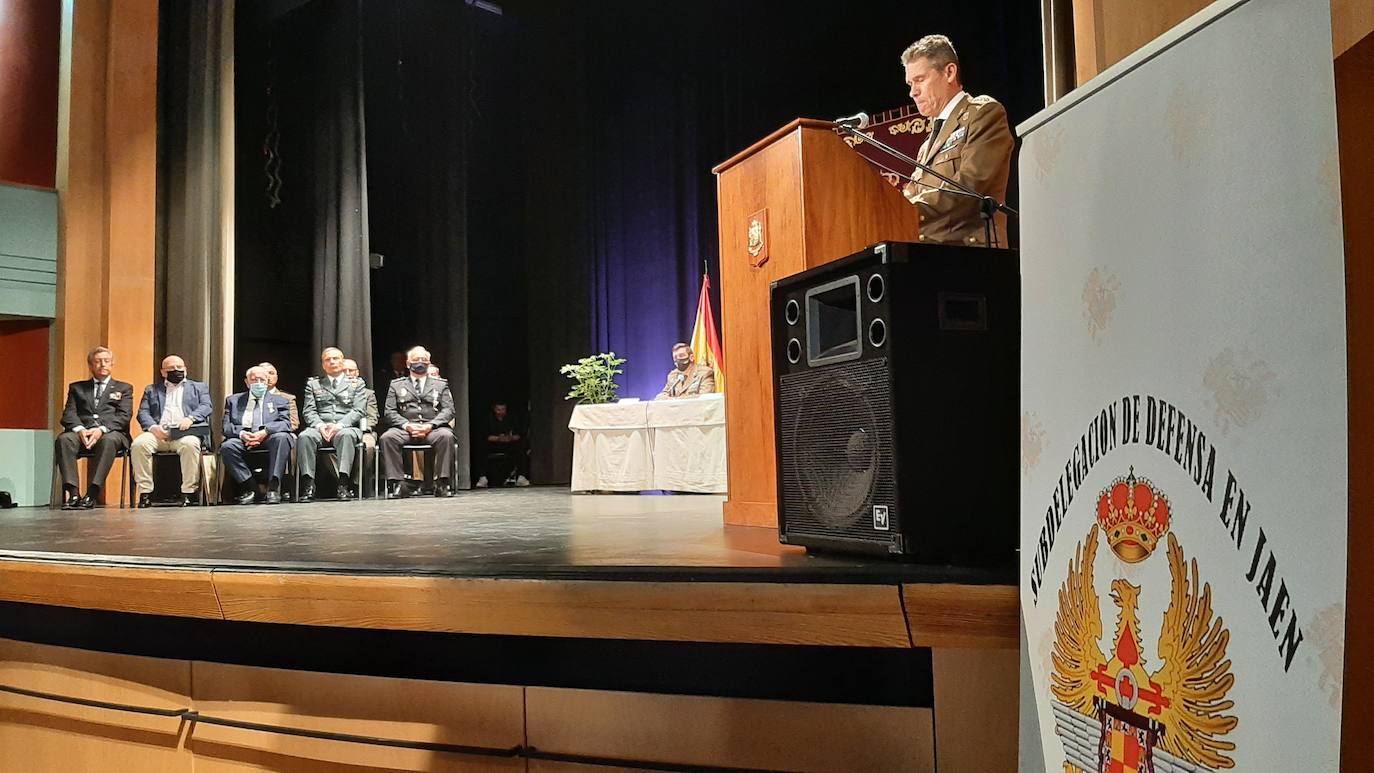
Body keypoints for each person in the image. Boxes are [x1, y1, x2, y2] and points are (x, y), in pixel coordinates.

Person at [899, 34, 1014, 247]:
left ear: (949, 72)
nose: (913, 92)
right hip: (931, 257)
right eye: (910, 83)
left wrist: (904, 211)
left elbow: (968, 187)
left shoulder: (984, 113)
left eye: (920, 80)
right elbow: (912, 193)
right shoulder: (926, 146)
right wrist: (888, 208)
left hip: (972, 257)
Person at [54, 346, 134, 509]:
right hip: (82, 431)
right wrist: (80, 430)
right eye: (98, 362)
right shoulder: (77, 388)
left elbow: (124, 416)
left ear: (112, 364)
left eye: (106, 361)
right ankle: (73, 493)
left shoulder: (124, 388)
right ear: (90, 366)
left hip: (111, 433)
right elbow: (68, 414)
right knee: (64, 439)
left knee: (108, 441)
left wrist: (101, 430)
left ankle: (92, 492)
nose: (102, 365)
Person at [132, 354, 213, 507]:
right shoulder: (151, 390)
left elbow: (206, 406)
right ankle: (145, 492)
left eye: (179, 368)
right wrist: (153, 428)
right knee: (139, 445)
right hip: (159, 434)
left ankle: (189, 492)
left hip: (184, 433)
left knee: (190, 445)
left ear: (185, 370)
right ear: (163, 372)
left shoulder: (199, 387)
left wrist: (191, 418)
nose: (176, 371)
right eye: (171, 369)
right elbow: (143, 413)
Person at [380, 346, 456, 498]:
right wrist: (407, 425)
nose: (420, 362)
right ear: (408, 364)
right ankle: (398, 484)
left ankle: (442, 483)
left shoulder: (440, 384)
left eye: (424, 360)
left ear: (429, 363)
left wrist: (431, 425)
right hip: (405, 429)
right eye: (416, 360)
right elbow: (389, 412)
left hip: (432, 428)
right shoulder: (396, 385)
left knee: (446, 436)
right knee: (387, 438)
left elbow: (449, 410)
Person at [297, 347, 367, 502]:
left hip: (345, 427)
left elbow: (358, 410)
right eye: (328, 359)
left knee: (346, 435)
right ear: (323, 365)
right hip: (321, 427)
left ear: (342, 361)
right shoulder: (314, 384)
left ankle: (343, 484)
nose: (332, 362)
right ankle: (308, 485)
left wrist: (339, 425)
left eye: (336, 358)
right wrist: (320, 426)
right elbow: (309, 411)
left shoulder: (357, 384)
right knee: (304, 436)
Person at [219, 365, 295, 505]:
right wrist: (242, 434)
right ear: (247, 382)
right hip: (243, 438)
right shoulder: (233, 401)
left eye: (262, 379)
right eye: (254, 380)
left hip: (268, 437)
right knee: (227, 446)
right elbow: (226, 427)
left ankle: (273, 488)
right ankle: (251, 488)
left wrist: (265, 431)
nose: (258, 383)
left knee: (282, 437)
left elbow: (286, 424)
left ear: (267, 382)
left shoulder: (280, 401)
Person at [343, 357, 379, 497]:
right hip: (342, 430)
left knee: (368, 446)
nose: (347, 373)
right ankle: (342, 480)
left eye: (350, 370)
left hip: (363, 431)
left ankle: (357, 482)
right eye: (344, 370)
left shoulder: (368, 394)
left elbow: (372, 417)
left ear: (357, 372)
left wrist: (365, 428)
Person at [476, 401, 530, 488]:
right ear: (494, 409)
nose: (501, 412)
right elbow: (484, 436)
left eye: (503, 409)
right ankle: (483, 477)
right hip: (493, 444)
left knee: (521, 446)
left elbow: (519, 435)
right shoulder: (488, 419)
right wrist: (498, 438)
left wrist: (509, 438)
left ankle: (521, 477)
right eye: (498, 409)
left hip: (509, 444)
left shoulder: (512, 418)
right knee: (481, 448)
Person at [258, 361, 300, 431]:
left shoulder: (287, 398)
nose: (268, 377)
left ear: (277, 377)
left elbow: (293, 423)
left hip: (278, 435)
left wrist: (268, 432)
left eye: (271, 373)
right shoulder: (250, 397)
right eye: (264, 374)